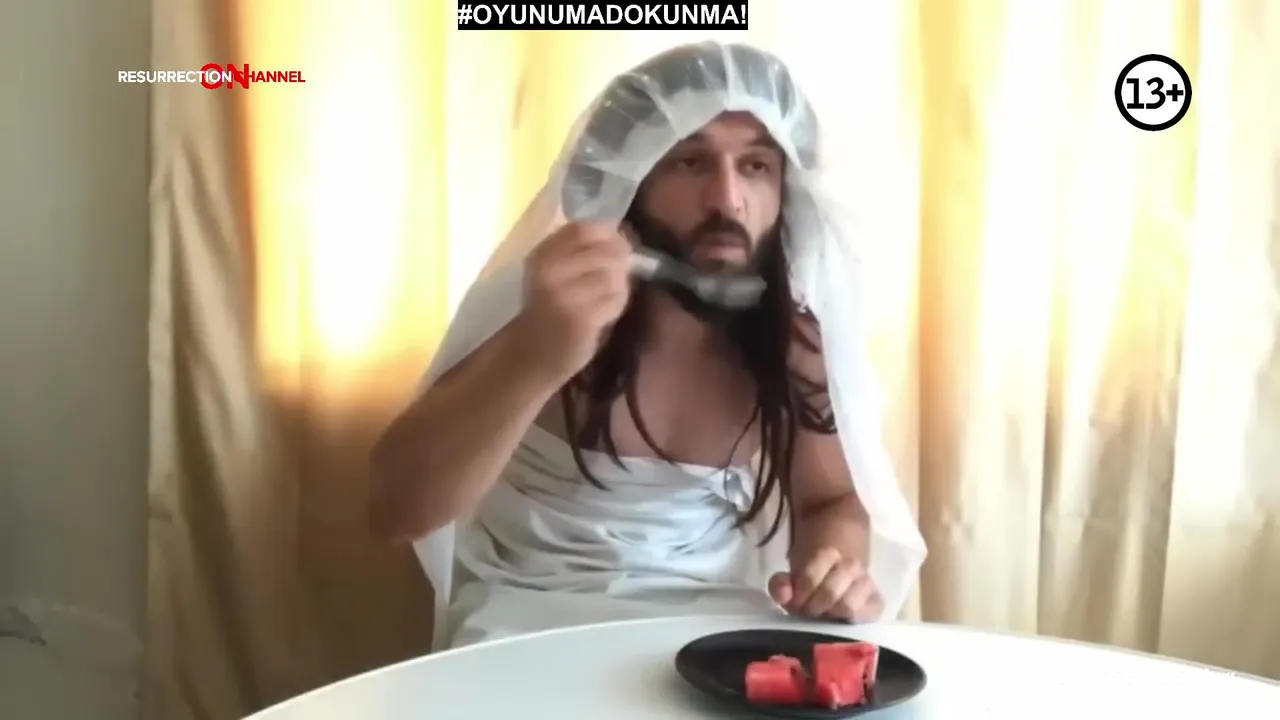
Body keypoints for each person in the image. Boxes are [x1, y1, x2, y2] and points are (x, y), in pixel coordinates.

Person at [368, 41, 927, 650]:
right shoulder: (549, 304)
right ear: (627, 177)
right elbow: (396, 509)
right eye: (690, 161)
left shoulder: (791, 342)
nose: (728, 199)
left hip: (711, 642)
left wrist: (832, 568)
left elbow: (831, 500)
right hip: (524, 631)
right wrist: (536, 354)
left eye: (755, 166)